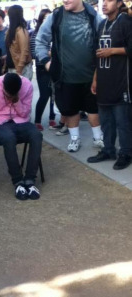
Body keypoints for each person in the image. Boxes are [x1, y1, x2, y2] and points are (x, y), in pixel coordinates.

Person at [36, 0, 104, 152]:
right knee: (70, 109)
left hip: (90, 77)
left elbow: (102, 42)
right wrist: (47, 63)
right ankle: (74, 138)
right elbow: (40, 41)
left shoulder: (93, 15)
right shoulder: (56, 16)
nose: (65, 0)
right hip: (65, 78)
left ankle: (98, 138)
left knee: (93, 109)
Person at [0, 73, 43, 200]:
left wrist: (17, 101)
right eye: (7, 96)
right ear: (3, 86)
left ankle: (30, 180)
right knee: (9, 138)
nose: (9, 98)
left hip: (21, 121)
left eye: (12, 95)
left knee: (37, 135)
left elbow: (25, 112)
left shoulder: (27, 86)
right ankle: (18, 181)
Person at [87, 0, 132, 170]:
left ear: (119, 2)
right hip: (104, 80)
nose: (104, 4)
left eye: (109, 0)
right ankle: (108, 150)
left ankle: (126, 153)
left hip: (122, 81)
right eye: (103, 1)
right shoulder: (102, 24)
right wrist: (95, 78)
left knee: (123, 121)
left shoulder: (126, 22)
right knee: (106, 120)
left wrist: (113, 51)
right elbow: (98, 55)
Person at [30, 8, 57, 131]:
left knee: (54, 95)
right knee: (44, 95)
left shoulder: (56, 33)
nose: (48, 20)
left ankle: (52, 118)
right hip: (42, 68)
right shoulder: (36, 34)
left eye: (49, 18)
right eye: (45, 18)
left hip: (56, 67)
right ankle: (37, 120)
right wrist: (49, 54)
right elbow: (34, 53)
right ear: (41, 20)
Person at [6, 5, 33, 80]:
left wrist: (19, 69)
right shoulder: (10, 31)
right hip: (12, 68)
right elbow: (9, 51)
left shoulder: (21, 31)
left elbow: (24, 50)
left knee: (22, 91)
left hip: (20, 69)